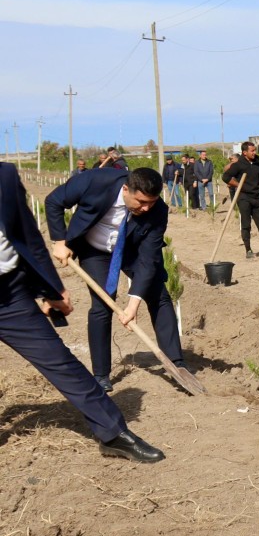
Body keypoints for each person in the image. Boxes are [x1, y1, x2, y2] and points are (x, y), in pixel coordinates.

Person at [1, 162, 163, 463]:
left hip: (9, 294)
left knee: (61, 362)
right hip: (70, 258)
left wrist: (50, 288)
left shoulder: (5, 177)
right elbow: (53, 202)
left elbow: (26, 235)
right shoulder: (96, 182)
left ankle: (113, 433)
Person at [44, 165, 192, 397]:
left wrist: (133, 304)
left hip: (132, 250)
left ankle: (176, 362)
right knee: (103, 303)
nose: (146, 208)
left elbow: (149, 259)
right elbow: (54, 201)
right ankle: (101, 375)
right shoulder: (95, 181)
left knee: (159, 296)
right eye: (141, 201)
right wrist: (59, 241)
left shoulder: (157, 211)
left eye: (151, 202)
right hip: (95, 250)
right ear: (126, 189)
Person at [224, 142, 259, 259]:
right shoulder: (239, 165)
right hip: (243, 197)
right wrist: (238, 184)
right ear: (245, 152)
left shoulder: (258, 164)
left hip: (256, 197)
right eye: (252, 151)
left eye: (255, 150)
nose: (254, 152)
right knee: (246, 224)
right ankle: (248, 249)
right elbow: (226, 177)